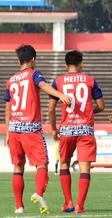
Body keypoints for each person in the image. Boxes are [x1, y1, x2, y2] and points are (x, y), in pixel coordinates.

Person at [4, 44, 71, 214]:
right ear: (33, 59)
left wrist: (7, 131)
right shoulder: (34, 74)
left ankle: (19, 206)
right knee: (42, 165)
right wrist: (60, 94)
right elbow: (43, 85)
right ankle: (39, 193)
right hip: (30, 128)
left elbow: (8, 107)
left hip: (13, 129)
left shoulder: (10, 81)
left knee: (18, 167)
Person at [48, 50, 105, 214]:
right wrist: (88, 111)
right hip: (85, 129)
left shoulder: (58, 82)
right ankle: (80, 205)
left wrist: (53, 129)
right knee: (85, 167)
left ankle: (69, 203)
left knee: (64, 163)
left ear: (66, 65)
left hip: (66, 129)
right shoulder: (90, 81)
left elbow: (51, 109)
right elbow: (101, 106)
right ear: (81, 63)